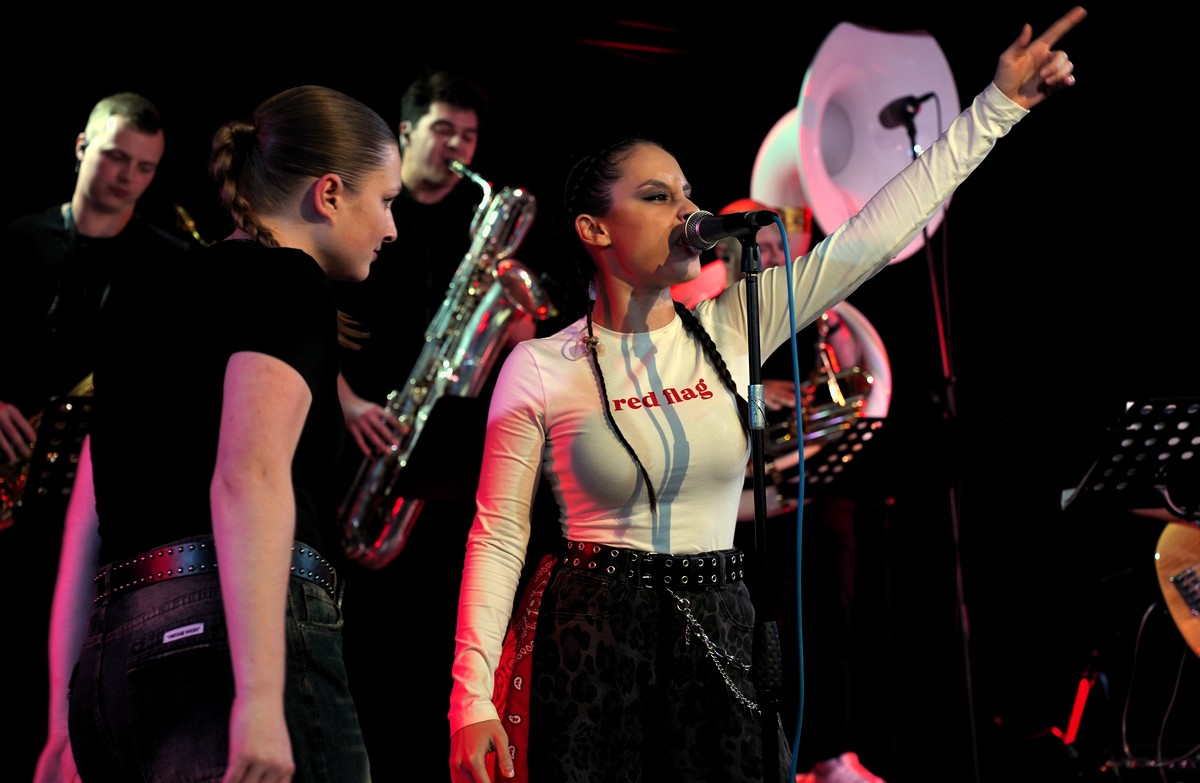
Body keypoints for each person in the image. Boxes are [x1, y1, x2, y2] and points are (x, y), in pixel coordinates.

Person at [448, 7, 1086, 782]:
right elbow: (498, 535)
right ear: (595, 229)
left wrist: (999, 106)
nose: (688, 212)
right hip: (591, 634)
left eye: (687, 193)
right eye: (656, 196)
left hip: (721, 627)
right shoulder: (542, 366)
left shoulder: (733, 323)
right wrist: (470, 700)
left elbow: (871, 236)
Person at [33, 84, 402, 783]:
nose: (392, 229)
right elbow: (248, 472)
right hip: (225, 647)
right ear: (329, 193)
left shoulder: (142, 290)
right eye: (385, 201)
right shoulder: (290, 280)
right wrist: (260, 698)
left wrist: (59, 721)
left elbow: (86, 520)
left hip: (113, 661)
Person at [330, 66, 543, 782]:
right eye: (443, 131)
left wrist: (518, 329)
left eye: (469, 137)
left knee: (438, 637)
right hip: (364, 444)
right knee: (366, 641)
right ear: (406, 132)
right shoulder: (365, 217)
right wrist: (347, 401)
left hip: (449, 461)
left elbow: (511, 328)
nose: (457, 148)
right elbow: (309, 323)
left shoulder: (478, 227)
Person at [0, 91, 194, 781]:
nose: (126, 177)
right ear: (82, 146)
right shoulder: (17, 242)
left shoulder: (171, 263)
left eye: (144, 167)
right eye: (115, 156)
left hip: (101, 510)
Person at [695, 199, 895, 783]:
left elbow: (859, 381)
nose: (771, 257)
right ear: (726, 255)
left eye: (777, 247)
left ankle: (834, 755)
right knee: (765, 629)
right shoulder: (708, 314)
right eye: (756, 249)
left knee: (835, 620)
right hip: (754, 498)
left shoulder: (816, 310)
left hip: (819, 484)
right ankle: (765, 758)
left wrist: (817, 400)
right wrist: (756, 395)